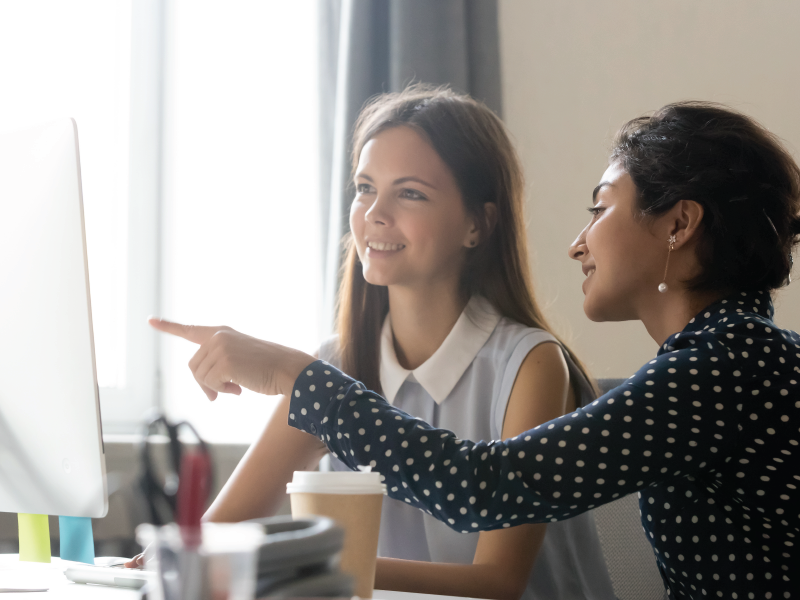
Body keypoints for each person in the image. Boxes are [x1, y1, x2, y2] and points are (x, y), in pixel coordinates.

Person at [148, 101, 800, 598]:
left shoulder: (723, 368)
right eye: (365, 187)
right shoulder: (724, 361)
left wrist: (296, 376)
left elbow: (485, 487)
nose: (578, 243)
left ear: (679, 225)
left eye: (601, 208)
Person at [140, 86, 615, 600]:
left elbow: (495, 583)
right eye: (365, 188)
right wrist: (152, 565)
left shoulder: (530, 365)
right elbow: (215, 534)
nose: (374, 213)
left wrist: (306, 564)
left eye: (409, 193)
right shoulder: (337, 365)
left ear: (478, 224)